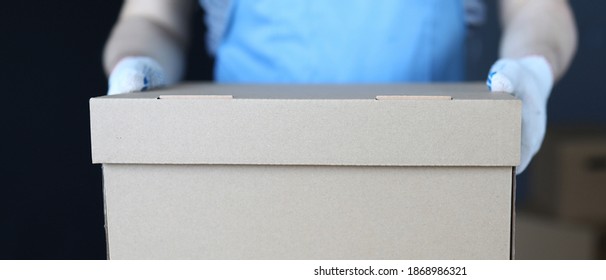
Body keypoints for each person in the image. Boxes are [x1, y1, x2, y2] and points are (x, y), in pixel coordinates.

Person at [103, 0, 577, 173]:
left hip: (426, 175)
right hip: (247, 174)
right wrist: (134, 64)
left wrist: (532, 67)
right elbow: (152, 17)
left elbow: (540, 9)